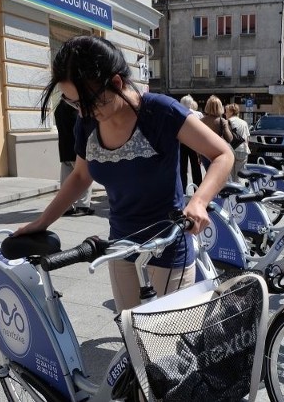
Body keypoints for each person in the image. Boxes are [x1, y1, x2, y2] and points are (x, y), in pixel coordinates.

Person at [14, 35, 233, 311]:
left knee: (163, 343)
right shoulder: (87, 124)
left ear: (116, 83)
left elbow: (223, 154)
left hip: (167, 243)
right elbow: (81, 177)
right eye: (72, 104)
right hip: (121, 244)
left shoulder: (160, 112)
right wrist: (42, 222)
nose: (82, 112)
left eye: (87, 102)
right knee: (131, 332)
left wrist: (199, 201)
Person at [54, 100, 94, 216]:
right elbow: (81, 131)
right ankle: (83, 206)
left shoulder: (59, 109)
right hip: (77, 150)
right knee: (85, 176)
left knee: (66, 180)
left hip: (64, 149)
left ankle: (65, 207)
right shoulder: (75, 110)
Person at [199, 95, 233, 171]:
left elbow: (198, 139)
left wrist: (199, 155)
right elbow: (229, 139)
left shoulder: (201, 121)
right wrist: (226, 125)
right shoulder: (222, 121)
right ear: (220, 107)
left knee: (209, 174)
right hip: (217, 152)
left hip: (205, 153)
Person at [179, 95, 203, 189]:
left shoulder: (178, 113)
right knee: (196, 167)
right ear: (191, 103)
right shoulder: (198, 114)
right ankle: (198, 188)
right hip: (194, 143)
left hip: (182, 142)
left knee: (182, 168)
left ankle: (183, 190)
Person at [225, 102, 250, 182]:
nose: (225, 113)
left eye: (227, 111)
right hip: (243, 150)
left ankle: (232, 192)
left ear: (231, 112)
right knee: (240, 175)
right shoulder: (244, 123)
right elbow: (247, 138)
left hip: (231, 150)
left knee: (230, 176)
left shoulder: (227, 122)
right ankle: (241, 191)